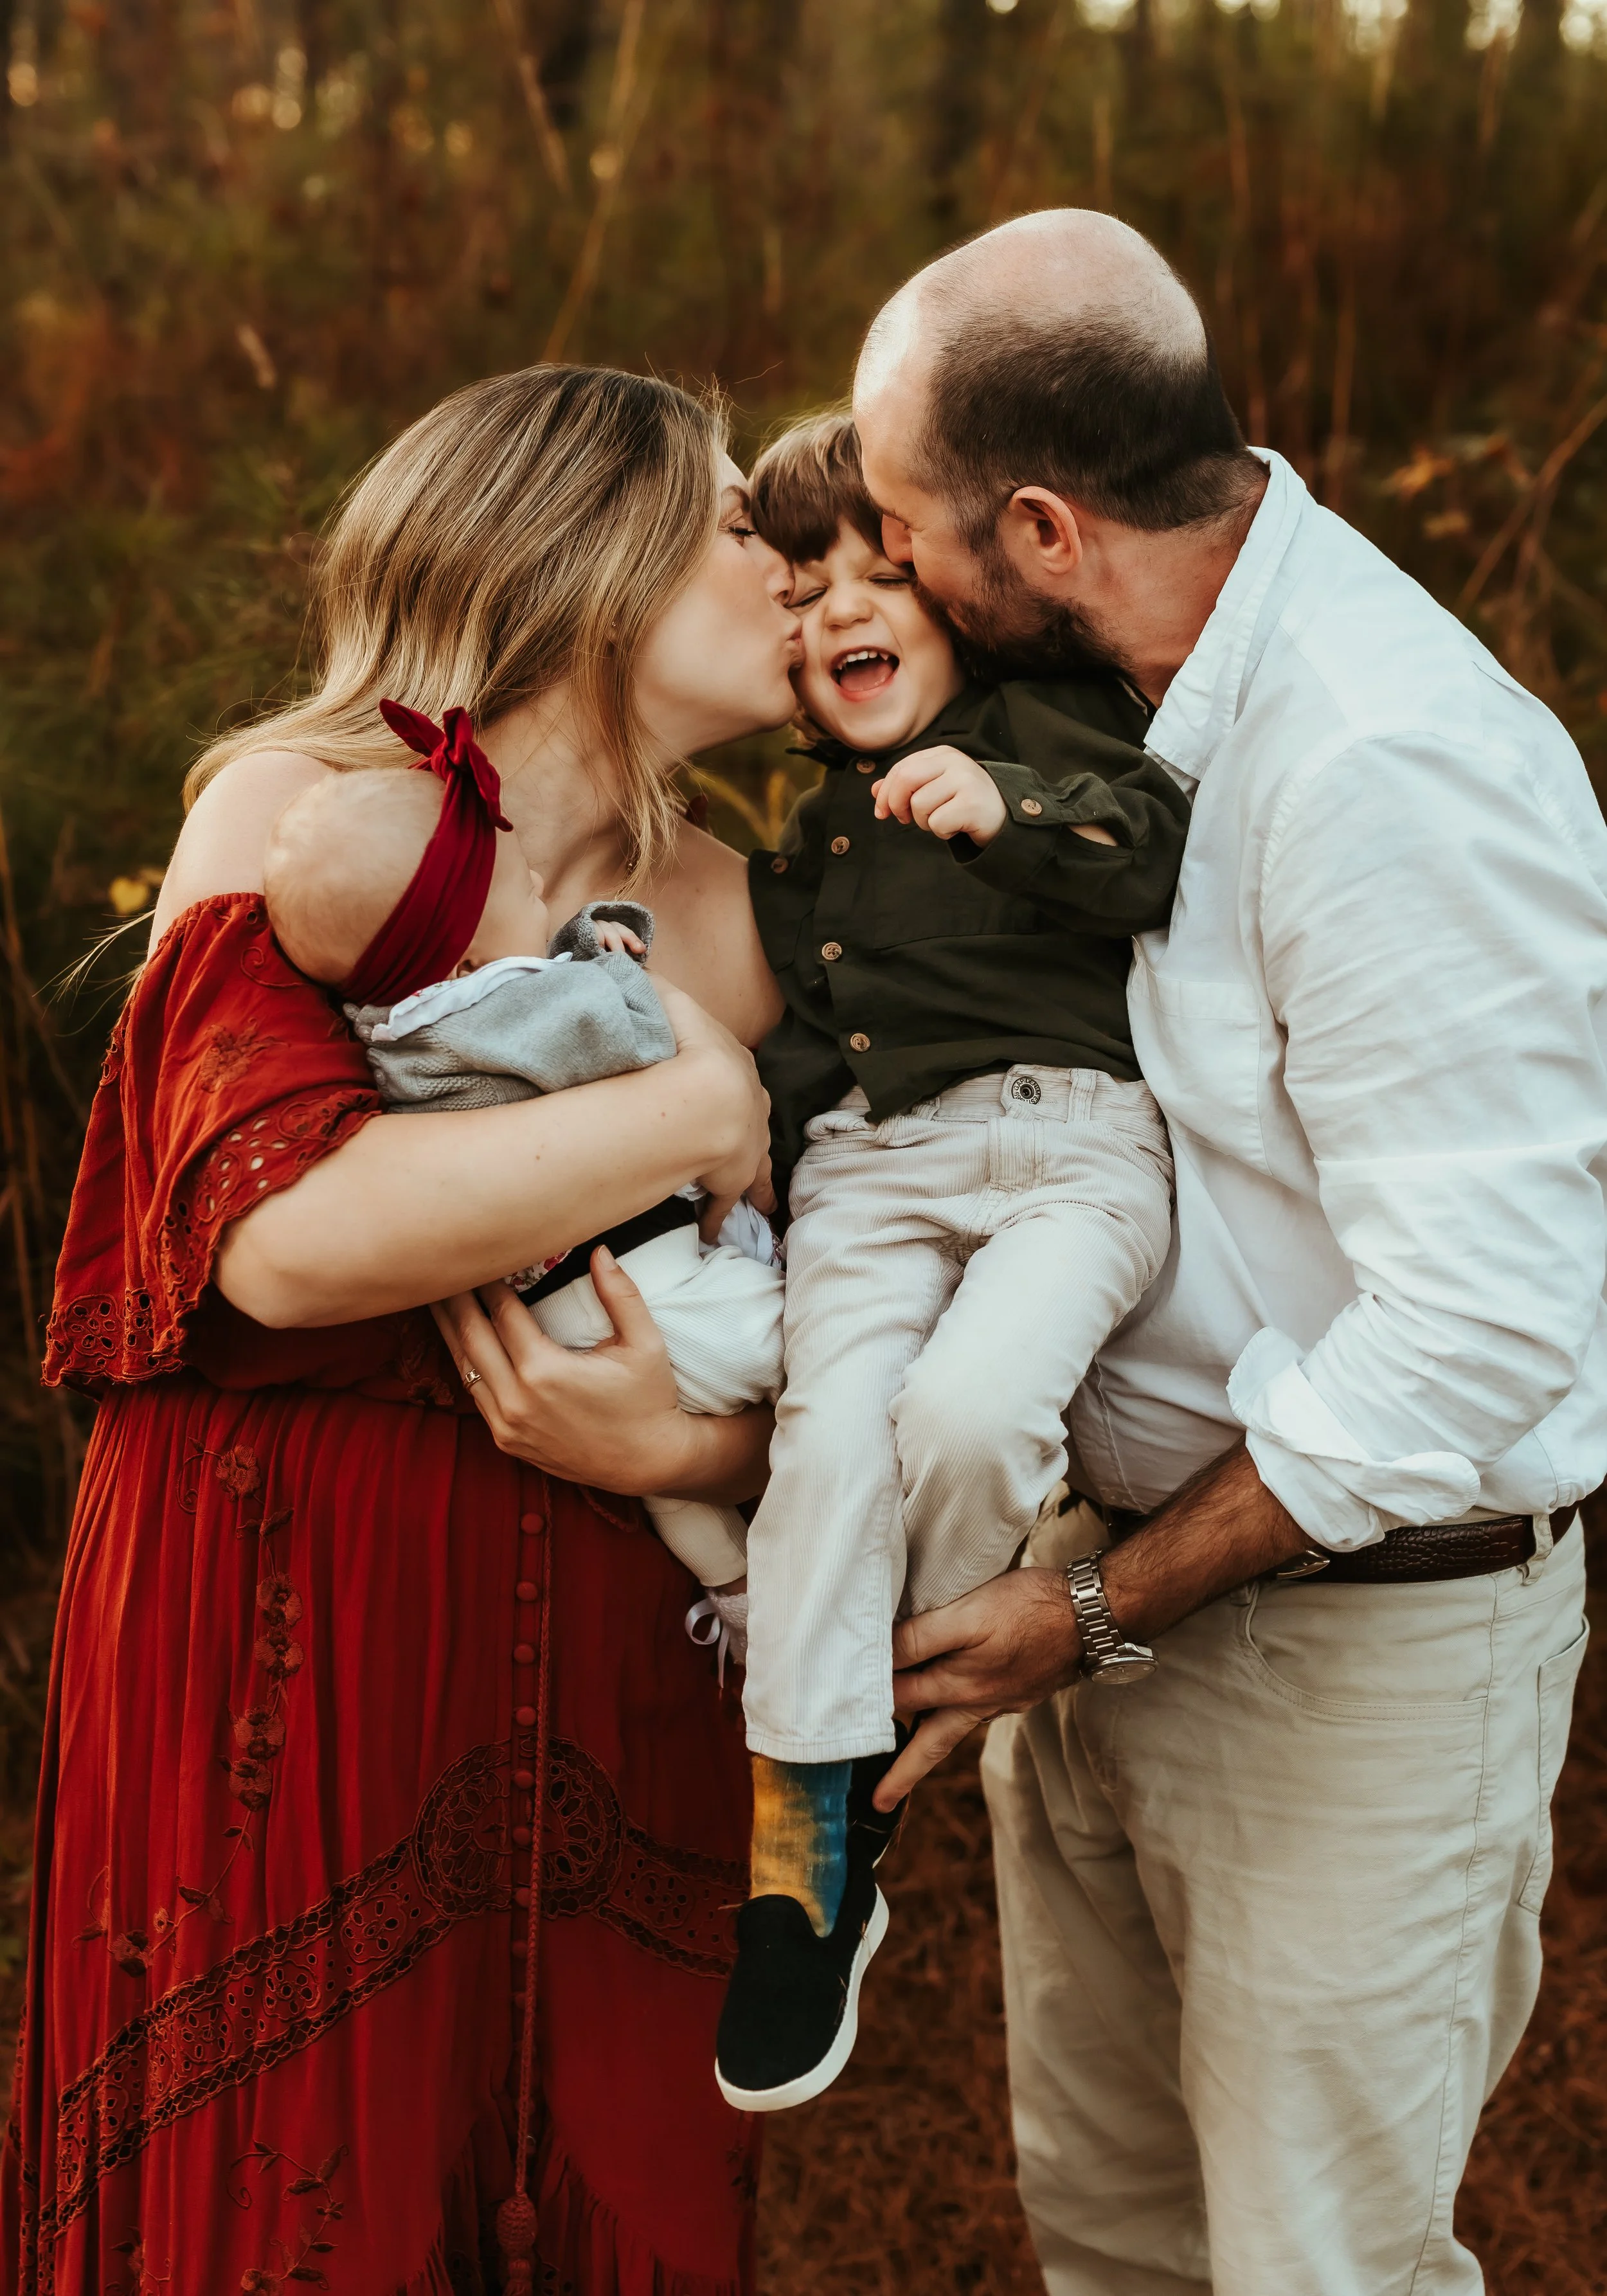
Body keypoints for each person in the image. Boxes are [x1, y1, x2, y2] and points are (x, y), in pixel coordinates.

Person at [853, 210, 1606, 2295]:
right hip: (1110, 1612)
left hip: (1355, 1649)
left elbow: (1475, 1336)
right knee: (1114, 2236)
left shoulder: (1383, 761)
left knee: (1316, 2265)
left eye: (912, 530)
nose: (894, 575)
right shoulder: (1106, 714)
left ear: (1038, 524)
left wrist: (1096, 1605)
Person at [2, 364, 796, 2295]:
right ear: (585, 560)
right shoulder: (309, 812)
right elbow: (285, 1237)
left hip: (621, 1661)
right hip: (288, 1629)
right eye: (732, 519)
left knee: (611, 2186)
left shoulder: (750, 911)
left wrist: (686, 1449)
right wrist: (695, 1113)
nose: (790, 559)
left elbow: (833, 1337)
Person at [711, 411, 1187, 2113]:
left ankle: (866, 1752)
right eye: (800, 588)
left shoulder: (1034, 726)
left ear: (956, 596)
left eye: (875, 570)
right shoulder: (804, 841)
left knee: (974, 1418)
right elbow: (798, 1050)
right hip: (868, 1164)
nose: (838, 604)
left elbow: (1152, 837)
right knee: (825, 1444)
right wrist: (735, 1155)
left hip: (1073, 1142)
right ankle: (796, 1858)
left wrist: (1014, 800)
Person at [262, 704, 786, 1646]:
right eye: (515, 877)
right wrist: (615, 954)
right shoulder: (501, 1007)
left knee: (665, 1481)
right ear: (464, 954)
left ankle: (739, 1594)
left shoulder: (395, 1034)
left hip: (559, 1320)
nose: (536, 873)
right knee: (830, 1356)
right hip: (652, 1294)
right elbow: (615, 1034)